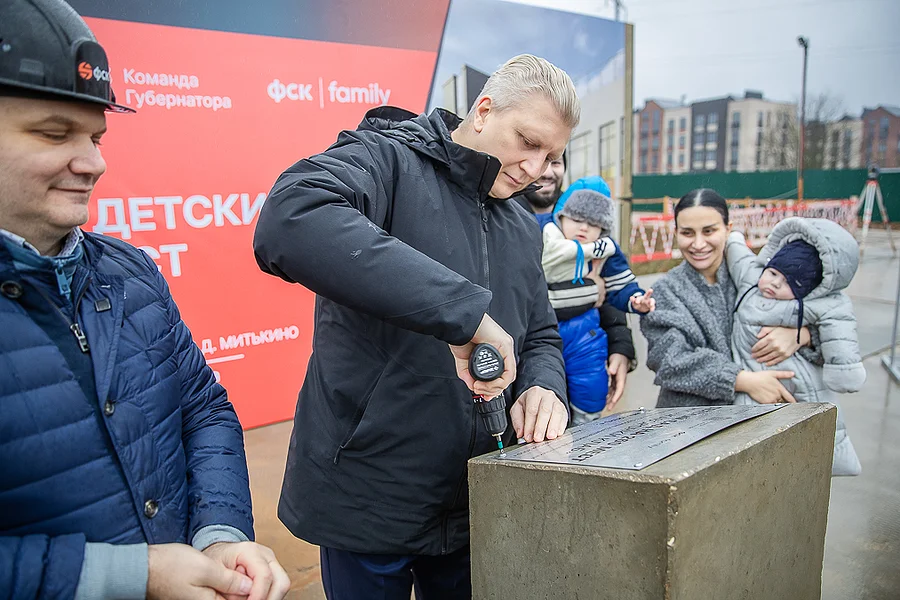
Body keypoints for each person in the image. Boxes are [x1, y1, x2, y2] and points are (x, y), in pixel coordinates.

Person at [253, 54, 576, 599]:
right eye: (528, 141)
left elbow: (540, 332)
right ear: (484, 110)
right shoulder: (386, 160)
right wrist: (464, 314)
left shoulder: (525, 225)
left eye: (551, 156)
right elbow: (292, 218)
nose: (535, 168)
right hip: (370, 494)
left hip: (474, 498)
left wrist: (544, 386)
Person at [0, 1, 290, 598]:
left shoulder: (128, 270)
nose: (94, 163)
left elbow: (203, 409)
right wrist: (132, 578)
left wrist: (219, 535)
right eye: (54, 133)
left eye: (96, 136)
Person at [640, 189, 822, 407]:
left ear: (728, 229)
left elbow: (830, 323)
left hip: (770, 417)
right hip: (690, 421)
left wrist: (803, 335)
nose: (698, 244)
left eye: (709, 231)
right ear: (676, 232)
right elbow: (668, 360)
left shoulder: (762, 278)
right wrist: (741, 380)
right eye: (687, 233)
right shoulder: (665, 291)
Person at [726, 217, 864, 475]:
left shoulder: (819, 304)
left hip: (798, 381)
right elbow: (740, 257)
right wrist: (733, 236)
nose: (775, 283)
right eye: (773, 273)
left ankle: (834, 456)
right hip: (752, 383)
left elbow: (841, 331)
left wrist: (843, 369)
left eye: (792, 283)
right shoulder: (751, 281)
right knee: (753, 456)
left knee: (812, 426)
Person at [518, 166, 637, 412]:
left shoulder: (587, 210)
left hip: (584, 342)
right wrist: (590, 291)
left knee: (587, 404)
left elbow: (612, 292)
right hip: (527, 350)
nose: (546, 170)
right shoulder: (505, 213)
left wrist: (620, 346)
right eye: (535, 152)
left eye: (554, 160)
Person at [541, 188, 655, 423]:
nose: (583, 228)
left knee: (591, 383)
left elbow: (621, 284)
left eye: (592, 224)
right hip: (540, 332)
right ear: (561, 217)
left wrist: (635, 299)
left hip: (585, 331)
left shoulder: (604, 251)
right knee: (541, 393)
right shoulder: (544, 235)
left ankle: (586, 422)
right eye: (577, 220)